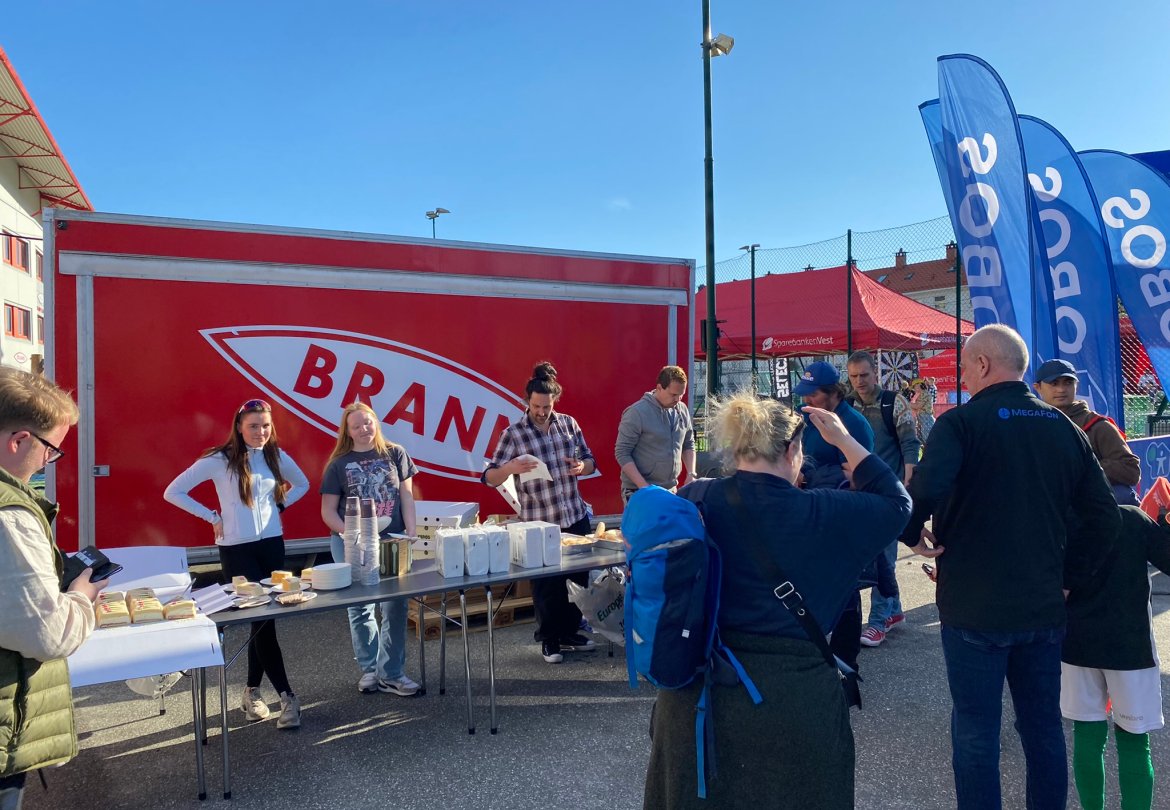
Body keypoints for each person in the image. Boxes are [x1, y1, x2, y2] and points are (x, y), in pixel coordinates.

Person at [641, 393, 910, 808]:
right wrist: (844, 440)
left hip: (696, 699)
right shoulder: (826, 511)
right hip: (791, 703)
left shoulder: (694, 500)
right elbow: (898, 503)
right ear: (791, 450)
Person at [902, 324, 1121, 810]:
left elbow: (921, 493)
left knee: (976, 734)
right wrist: (1070, 579)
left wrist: (911, 532)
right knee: (1042, 730)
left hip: (972, 609)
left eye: (964, 367)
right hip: (1042, 606)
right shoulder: (1064, 428)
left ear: (982, 364)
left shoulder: (960, 424)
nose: (964, 376)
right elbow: (1105, 517)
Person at [164, 398, 309, 729]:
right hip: (236, 550)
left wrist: (278, 506)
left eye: (266, 426)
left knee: (264, 621)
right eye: (253, 426)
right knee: (261, 620)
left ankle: (251, 692)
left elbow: (303, 484)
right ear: (239, 428)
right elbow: (174, 491)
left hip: (271, 547)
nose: (261, 432)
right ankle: (287, 696)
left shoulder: (275, 456)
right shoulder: (219, 459)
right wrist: (212, 517)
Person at [0, 368, 100, 809]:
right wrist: (81, 597)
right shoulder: (11, 517)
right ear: (19, 440)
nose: (47, 462)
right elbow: (49, 633)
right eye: (50, 449)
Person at [483, 362, 598, 664]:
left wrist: (582, 467)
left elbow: (590, 460)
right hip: (539, 522)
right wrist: (510, 468)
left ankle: (571, 632)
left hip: (574, 514)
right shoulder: (514, 434)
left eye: (547, 406)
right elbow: (489, 477)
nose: (542, 412)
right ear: (527, 401)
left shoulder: (569, 424)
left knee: (577, 580)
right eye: (536, 406)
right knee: (547, 585)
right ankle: (549, 639)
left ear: (554, 401)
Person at [1062, 505, 1170, 810]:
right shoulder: (1134, 518)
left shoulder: (1068, 515)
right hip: (1129, 646)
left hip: (1077, 643)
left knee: (1087, 735)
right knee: (1134, 740)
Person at [320, 401, 420, 697]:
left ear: (376, 422)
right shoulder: (338, 464)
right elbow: (328, 511)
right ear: (348, 432)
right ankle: (369, 669)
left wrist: (411, 531)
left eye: (368, 422)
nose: (364, 429)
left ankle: (392, 673)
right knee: (360, 607)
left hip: (391, 541)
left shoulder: (396, 453)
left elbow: (407, 496)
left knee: (396, 606)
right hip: (351, 544)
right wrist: (349, 533)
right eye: (356, 426)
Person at [846, 350, 919, 648]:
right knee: (880, 556)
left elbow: (910, 442)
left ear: (875, 373)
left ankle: (878, 621)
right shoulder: (847, 405)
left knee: (883, 556)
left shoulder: (894, 402)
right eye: (853, 376)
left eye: (864, 375)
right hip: (858, 495)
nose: (859, 381)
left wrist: (908, 479)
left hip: (889, 494)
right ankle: (894, 609)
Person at [1033, 358, 1141, 505]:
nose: (1061, 389)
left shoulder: (1098, 426)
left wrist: (1084, 470)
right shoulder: (1031, 425)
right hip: (1047, 504)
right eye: (1054, 383)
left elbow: (1131, 470)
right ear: (1037, 387)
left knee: (1122, 495)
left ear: (1076, 385)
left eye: (1068, 383)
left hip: (1090, 505)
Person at [614, 365, 696, 502]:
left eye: (681, 394)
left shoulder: (682, 410)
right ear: (659, 388)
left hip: (671, 489)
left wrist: (691, 473)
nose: (678, 399)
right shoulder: (636, 412)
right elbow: (622, 452)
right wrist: (644, 487)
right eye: (673, 394)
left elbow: (688, 444)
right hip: (638, 491)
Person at [794, 360, 874, 486]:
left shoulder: (854, 424)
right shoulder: (803, 413)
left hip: (833, 496)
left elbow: (859, 478)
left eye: (813, 394)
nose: (806, 400)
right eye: (804, 394)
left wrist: (808, 477)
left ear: (834, 392)